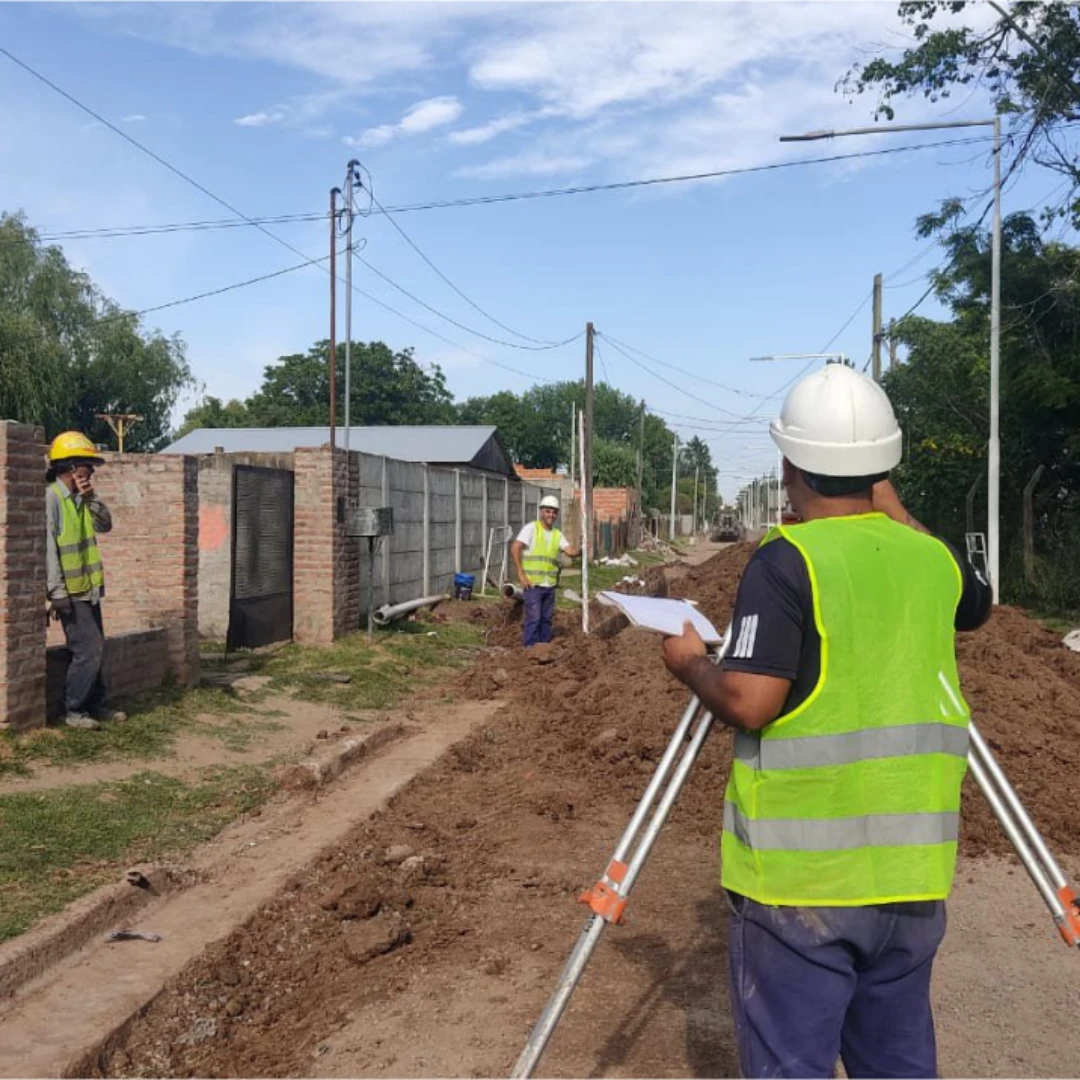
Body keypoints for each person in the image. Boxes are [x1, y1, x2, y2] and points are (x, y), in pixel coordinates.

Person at [660, 363, 991, 1079]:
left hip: (799, 886)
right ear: (883, 470)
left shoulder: (788, 562)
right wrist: (890, 504)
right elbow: (976, 605)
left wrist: (689, 663)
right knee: (897, 1065)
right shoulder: (931, 563)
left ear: (790, 466)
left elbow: (750, 701)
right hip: (910, 879)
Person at [45, 431, 125, 730]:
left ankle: (97, 705)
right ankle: (75, 711)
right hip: (70, 592)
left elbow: (105, 525)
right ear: (70, 467)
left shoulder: (82, 499)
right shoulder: (52, 498)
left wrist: (91, 498)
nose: (91, 471)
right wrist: (56, 592)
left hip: (88, 589)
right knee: (88, 650)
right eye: (86, 465)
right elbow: (48, 548)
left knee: (96, 648)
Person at [510, 495, 581, 648]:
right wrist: (521, 574)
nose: (551, 515)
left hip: (550, 586)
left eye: (554, 512)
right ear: (541, 511)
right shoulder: (531, 528)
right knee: (534, 618)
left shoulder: (557, 534)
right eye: (548, 511)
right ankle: (530, 649)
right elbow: (515, 547)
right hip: (533, 585)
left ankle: (544, 648)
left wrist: (581, 550)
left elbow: (570, 551)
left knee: (546, 620)